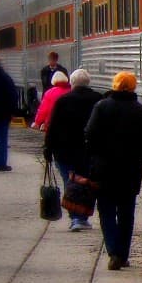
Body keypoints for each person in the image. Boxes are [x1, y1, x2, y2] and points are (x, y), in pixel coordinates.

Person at [84, 71, 142, 270]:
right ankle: (122, 254)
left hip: (103, 170)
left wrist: (95, 156)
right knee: (126, 214)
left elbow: (89, 135)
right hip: (130, 171)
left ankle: (113, 252)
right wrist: (137, 154)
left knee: (106, 211)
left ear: (114, 85)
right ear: (133, 87)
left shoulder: (101, 107)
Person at [43, 69, 100, 232]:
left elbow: (53, 127)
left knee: (69, 182)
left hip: (64, 151)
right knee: (86, 184)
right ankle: (81, 217)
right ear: (88, 82)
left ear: (72, 83)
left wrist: (48, 148)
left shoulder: (63, 101)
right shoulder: (98, 99)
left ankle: (76, 217)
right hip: (88, 151)